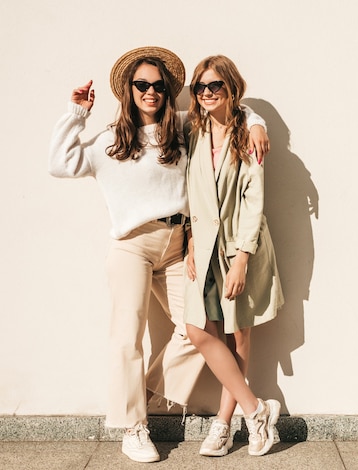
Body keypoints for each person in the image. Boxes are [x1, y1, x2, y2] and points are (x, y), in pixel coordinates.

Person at [48, 46, 270, 463]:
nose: (150, 91)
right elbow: (60, 163)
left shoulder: (182, 128)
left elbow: (229, 114)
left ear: (168, 92)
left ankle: (136, 394)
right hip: (132, 246)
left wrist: (256, 123)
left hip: (180, 246)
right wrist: (75, 114)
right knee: (126, 336)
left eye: (158, 86)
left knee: (200, 330)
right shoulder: (110, 139)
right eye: (141, 85)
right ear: (128, 91)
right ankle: (134, 427)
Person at [184, 55, 284, 458]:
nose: (207, 94)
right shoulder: (192, 131)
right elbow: (191, 193)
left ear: (231, 89)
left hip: (239, 246)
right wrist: (190, 236)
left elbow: (254, 199)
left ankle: (224, 424)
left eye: (216, 86)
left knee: (239, 332)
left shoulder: (249, 136)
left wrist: (242, 257)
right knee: (200, 331)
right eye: (201, 87)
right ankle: (256, 410)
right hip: (203, 248)